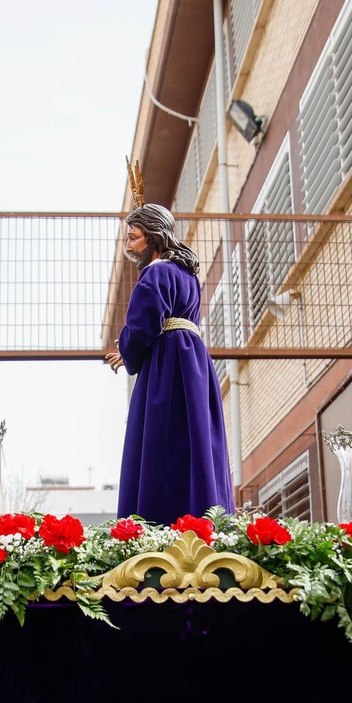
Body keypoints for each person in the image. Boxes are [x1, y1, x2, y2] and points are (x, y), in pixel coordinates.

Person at [105, 203, 234, 523]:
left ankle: (157, 525)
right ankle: (206, 521)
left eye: (134, 237)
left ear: (152, 236)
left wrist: (128, 349)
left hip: (167, 365)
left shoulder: (156, 272)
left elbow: (142, 324)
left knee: (161, 444)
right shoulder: (187, 275)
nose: (130, 246)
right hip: (195, 363)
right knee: (196, 442)